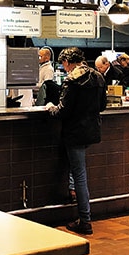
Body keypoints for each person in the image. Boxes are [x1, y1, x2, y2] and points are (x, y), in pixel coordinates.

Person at [46, 47, 106, 235]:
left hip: (74, 133)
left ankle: (85, 220)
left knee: (79, 174)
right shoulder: (98, 77)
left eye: (64, 64)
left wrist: (50, 107)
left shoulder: (72, 80)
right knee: (77, 171)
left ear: (67, 62)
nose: (64, 68)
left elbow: (62, 112)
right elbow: (102, 106)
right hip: (92, 130)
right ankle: (82, 211)